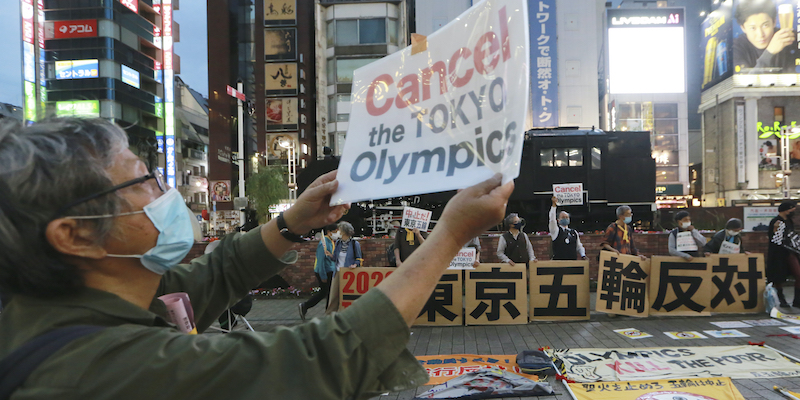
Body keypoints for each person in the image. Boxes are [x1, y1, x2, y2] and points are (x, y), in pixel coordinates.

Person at [0, 118, 514, 399]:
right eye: (143, 182)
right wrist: (450, 233)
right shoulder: (103, 371)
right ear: (74, 236)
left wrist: (294, 221)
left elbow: (215, 274)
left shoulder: (91, 300)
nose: (165, 195)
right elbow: (323, 360)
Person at [733, 0, 796, 73]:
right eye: (752, 28)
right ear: (743, 28)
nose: (760, 34)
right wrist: (769, 52)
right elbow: (746, 81)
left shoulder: (792, 38)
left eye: (765, 25)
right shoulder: (736, 47)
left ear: (774, 22)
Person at [298, 224, 338, 321]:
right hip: (324, 271)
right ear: (329, 232)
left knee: (325, 293)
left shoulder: (330, 241)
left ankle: (306, 306)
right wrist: (323, 275)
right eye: (336, 231)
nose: (337, 234)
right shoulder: (323, 243)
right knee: (327, 293)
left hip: (329, 270)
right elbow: (320, 261)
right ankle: (327, 313)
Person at [767, 201, 800, 308]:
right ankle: (781, 298)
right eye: (792, 209)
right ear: (786, 209)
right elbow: (776, 240)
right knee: (778, 277)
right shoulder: (777, 222)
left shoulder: (789, 221)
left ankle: (797, 300)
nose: (793, 211)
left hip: (790, 252)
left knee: (798, 274)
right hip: (779, 253)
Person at [548, 196, 586, 260]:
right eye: (563, 217)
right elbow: (552, 220)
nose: (565, 219)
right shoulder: (555, 231)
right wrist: (554, 206)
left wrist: (583, 255)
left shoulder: (574, 232)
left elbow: (579, 246)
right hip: (559, 263)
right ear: (558, 220)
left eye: (567, 217)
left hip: (572, 263)